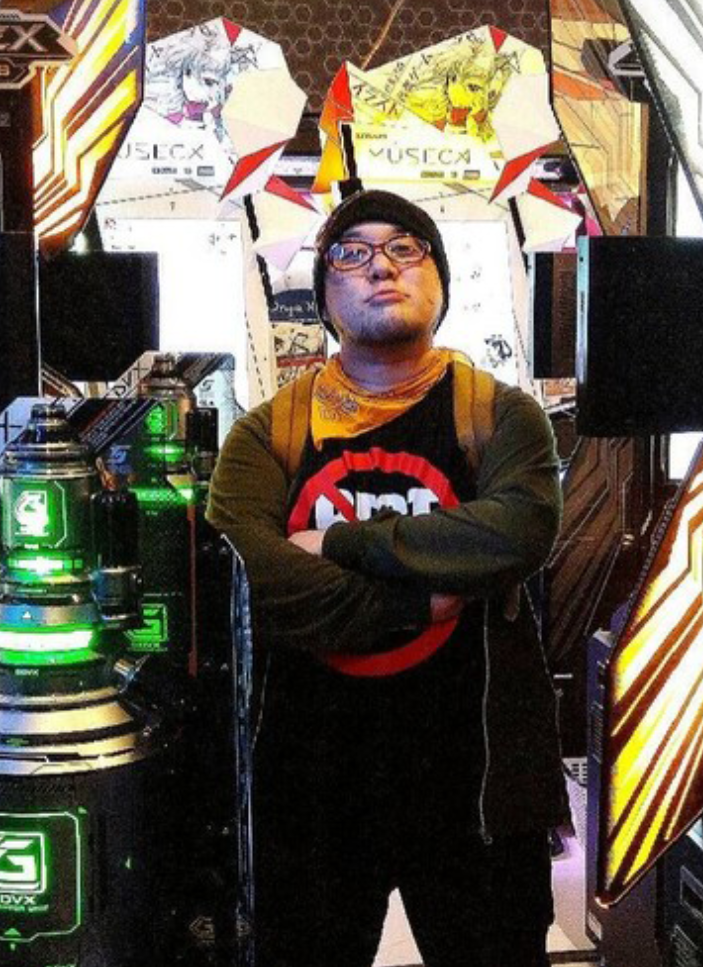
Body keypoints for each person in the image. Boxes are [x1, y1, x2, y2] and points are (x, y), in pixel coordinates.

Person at [206, 189, 568, 967]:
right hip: (311, 792)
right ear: (323, 293)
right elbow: (244, 575)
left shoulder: (499, 416)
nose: (381, 266)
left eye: (405, 248)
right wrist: (414, 598)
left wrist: (337, 542)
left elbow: (519, 529)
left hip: (478, 791)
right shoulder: (267, 432)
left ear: (439, 281)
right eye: (353, 252)